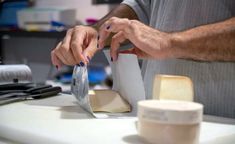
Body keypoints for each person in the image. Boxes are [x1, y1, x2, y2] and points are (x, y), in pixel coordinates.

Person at [51, 0, 235, 118]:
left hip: (219, 123)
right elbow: (142, 5)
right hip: (150, 118)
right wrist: (98, 30)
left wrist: (169, 42)